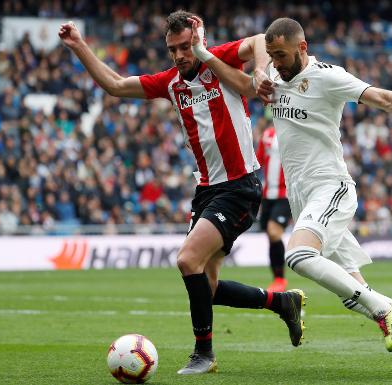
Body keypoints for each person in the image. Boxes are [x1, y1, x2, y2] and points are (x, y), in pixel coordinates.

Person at [189, 16, 392, 375]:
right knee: (356, 295)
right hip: (302, 197)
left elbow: (380, 97)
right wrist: (203, 53)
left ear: (302, 48)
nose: (275, 62)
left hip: (331, 187)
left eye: (281, 55)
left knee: (298, 255)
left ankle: (388, 311)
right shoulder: (274, 75)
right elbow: (245, 84)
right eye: (271, 55)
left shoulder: (327, 76)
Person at [59, 11, 306, 376]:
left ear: (198, 41)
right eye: (172, 49)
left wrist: (260, 70)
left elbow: (257, 40)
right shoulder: (170, 82)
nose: (178, 55)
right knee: (208, 285)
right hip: (206, 189)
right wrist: (79, 46)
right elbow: (114, 84)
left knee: (187, 259)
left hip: (239, 185)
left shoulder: (218, 60)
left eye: (185, 46)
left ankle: (203, 354)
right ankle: (281, 302)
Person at [256, 124, 292, 291]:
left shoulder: (294, 130)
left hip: (285, 194)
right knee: (271, 236)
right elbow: (259, 160)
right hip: (267, 194)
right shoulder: (267, 134)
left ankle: (280, 279)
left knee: (273, 231)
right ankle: (277, 278)